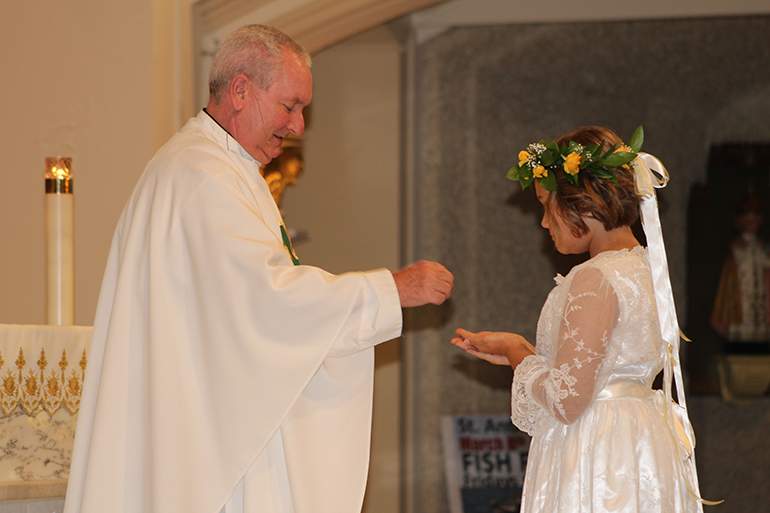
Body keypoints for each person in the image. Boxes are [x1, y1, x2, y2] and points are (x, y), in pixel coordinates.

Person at [64, 25, 453, 513]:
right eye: (290, 106)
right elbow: (266, 301)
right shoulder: (200, 177)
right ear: (241, 90)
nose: (299, 127)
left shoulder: (213, 167)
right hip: (204, 448)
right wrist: (387, 290)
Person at [451, 126, 713, 513]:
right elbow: (599, 366)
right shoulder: (647, 268)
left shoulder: (596, 276)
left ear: (583, 204)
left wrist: (516, 351)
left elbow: (567, 399)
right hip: (637, 443)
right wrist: (525, 357)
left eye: (545, 204)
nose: (544, 222)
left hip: (599, 454)